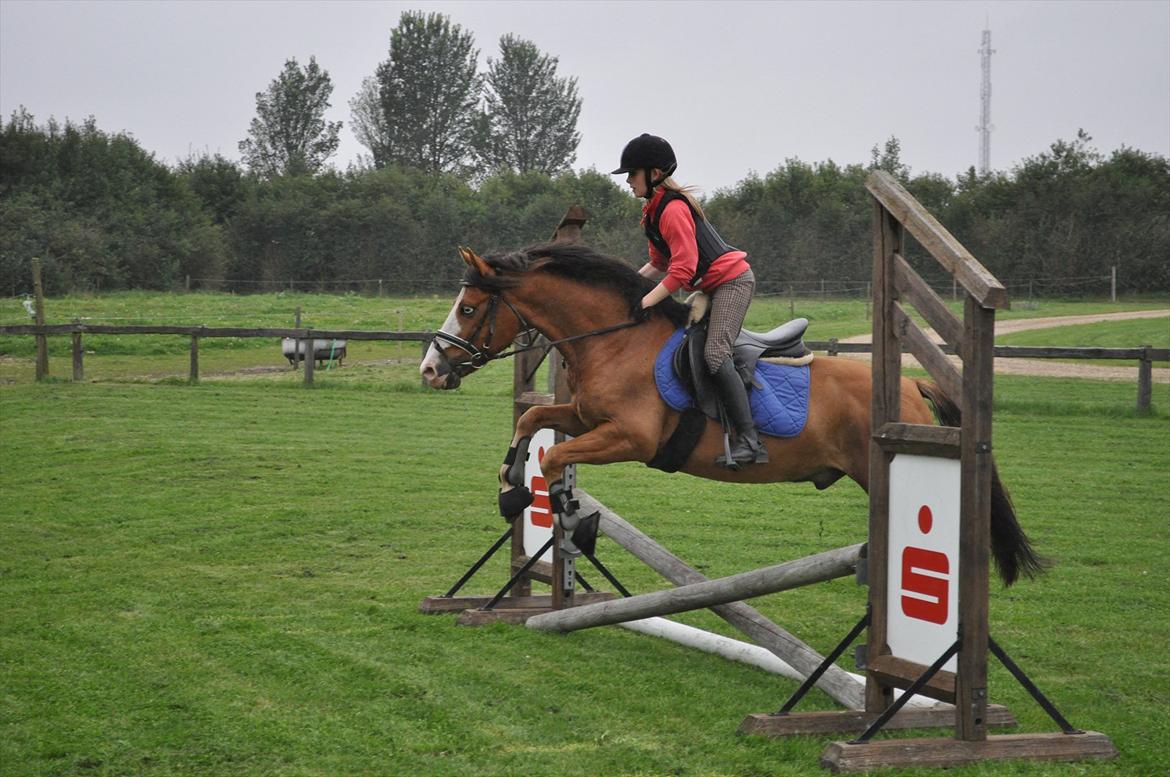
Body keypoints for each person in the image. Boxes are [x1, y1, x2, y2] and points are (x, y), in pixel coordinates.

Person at [612, 133, 767, 468]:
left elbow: (681, 271)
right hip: (713, 287)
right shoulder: (652, 212)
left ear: (654, 174)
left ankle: (751, 441)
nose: (627, 181)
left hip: (732, 284)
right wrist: (630, 290)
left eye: (632, 174)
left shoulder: (672, 210)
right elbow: (658, 263)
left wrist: (645, 303)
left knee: (715, 354)